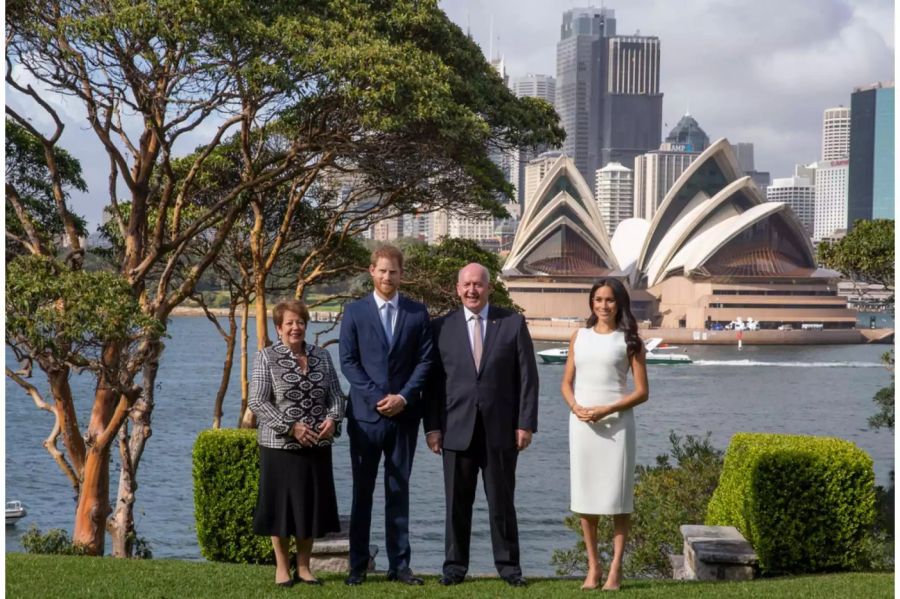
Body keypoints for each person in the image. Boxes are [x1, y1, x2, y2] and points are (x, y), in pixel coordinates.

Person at [424, 263, 538, 587]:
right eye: (467, 285)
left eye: (479, 284)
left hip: (501, 431)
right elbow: (431, 383)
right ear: (457, 288)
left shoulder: (512, 323)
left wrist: (525, 424)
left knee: (502, 504)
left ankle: (509, 568)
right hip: (454, 430)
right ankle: (454, 568)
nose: (473, 290)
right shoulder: (441, 327)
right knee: (456, 505)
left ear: (489, 288)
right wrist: (431, 428)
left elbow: (528, 379)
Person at [338, 245, 433, 586]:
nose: (387, 277)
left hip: (404, 418)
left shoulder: (417, 313)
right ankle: (357, 566)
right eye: (382, 271)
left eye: (393, 271)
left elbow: (425, 362)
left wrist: (404, 398)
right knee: (362, 493)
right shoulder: (354, 312)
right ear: (371, 272)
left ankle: (400, 566)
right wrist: (380, 398)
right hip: (365, 418)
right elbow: (348, 361)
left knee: (398, 491)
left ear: (401, 274)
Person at [248, 299, 345, 588]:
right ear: (279, 328)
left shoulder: (322, 357)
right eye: (289, 323)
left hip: (317, 445)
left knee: (309, 507)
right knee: (280, 508)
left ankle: (304, 567)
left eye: (300, 322)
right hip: (279, 447)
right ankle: (282, 568)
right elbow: (257, 401)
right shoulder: (266, 357)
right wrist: (291, 427)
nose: (295, 327)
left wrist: (333, 420)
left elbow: (337, 396)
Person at [560, 279, 649, 591]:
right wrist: (576, 408)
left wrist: (606, 409)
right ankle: (593, 567)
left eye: (609, 300)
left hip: (617, 426)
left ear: (620, 303)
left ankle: (616, 567)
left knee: (618, 499)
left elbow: (642, 392)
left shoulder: (631, 341)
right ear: (591, 302)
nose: (603, 305)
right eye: (597, 299)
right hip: (582, 426)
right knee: (586, 499)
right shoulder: (579, 337)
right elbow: (566, 384)